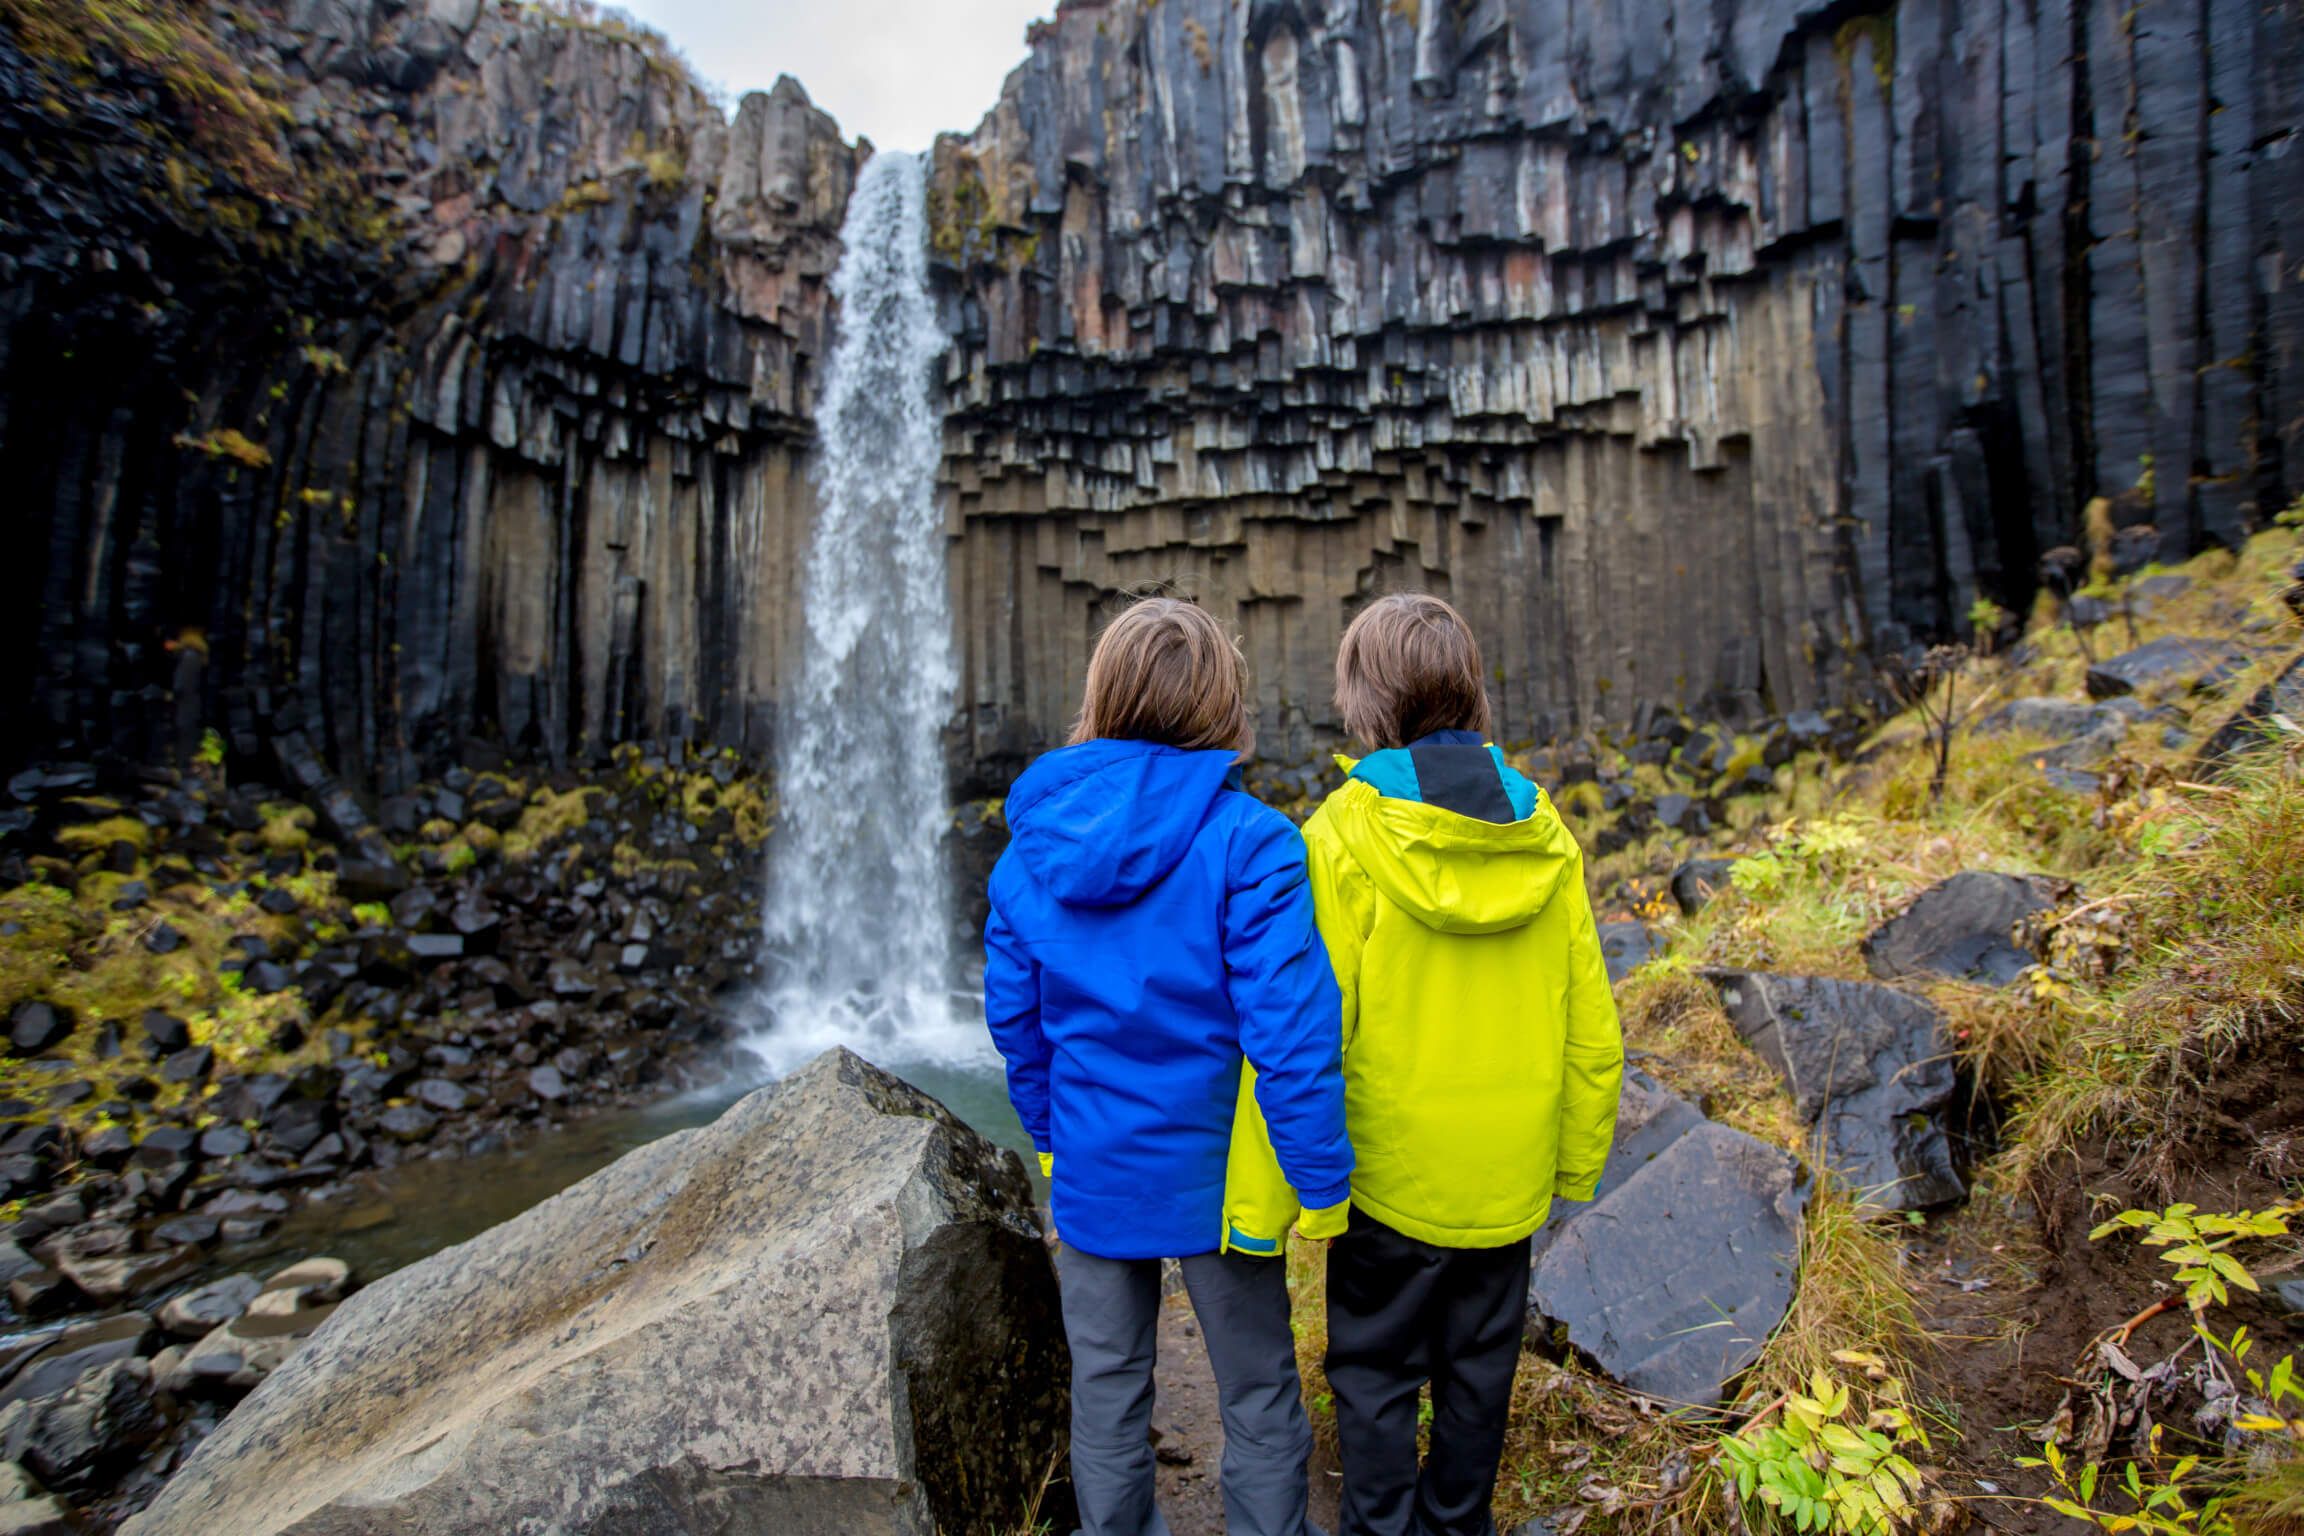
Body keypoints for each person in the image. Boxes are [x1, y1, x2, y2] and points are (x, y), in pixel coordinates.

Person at [984, 596, 1354, 1536]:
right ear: (1220, 703)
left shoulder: (1032, 850)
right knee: (1259, 1392)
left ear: (1102, 693)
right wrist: (1319, 1182)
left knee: (1106, 1394)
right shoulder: (1254, 843)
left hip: (1098, 1166)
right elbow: (1291, 1032)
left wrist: (1051, 1140)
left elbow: (1016, 1026)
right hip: (1222, 1184)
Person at [1306, 593, 1624, 1536]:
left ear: (1365, 698)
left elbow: (1315, 1029)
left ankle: (1379, 1526)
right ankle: (1458, 1523)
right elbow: (1592, 1032)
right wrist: (1572, 1164)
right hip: (1510, 1174)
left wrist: (1308, 1183)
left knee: (1372, 1371)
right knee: (1481, 1372)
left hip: (1391, 1179)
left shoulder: (1344, 834)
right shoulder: (1548, 834)